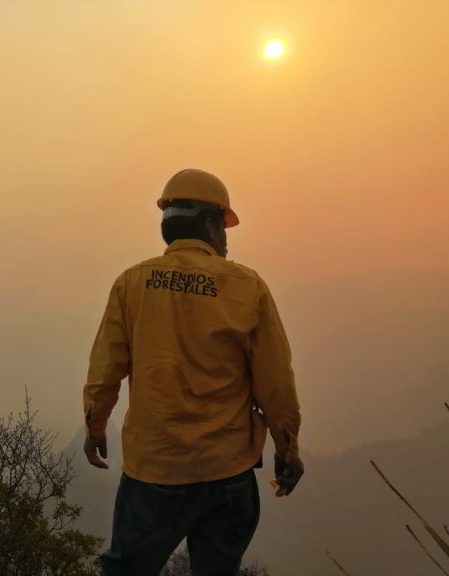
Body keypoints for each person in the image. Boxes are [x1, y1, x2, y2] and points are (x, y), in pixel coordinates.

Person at [82, 168, 304, 576]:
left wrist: (95, 426)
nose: (226, 240)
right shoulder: (247, 287)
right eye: (224, 228)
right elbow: (275, 384)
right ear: (209, 225)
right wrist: (287, 449)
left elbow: (105, 370)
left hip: (155, 469)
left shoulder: (131, 284)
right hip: (227, 471)